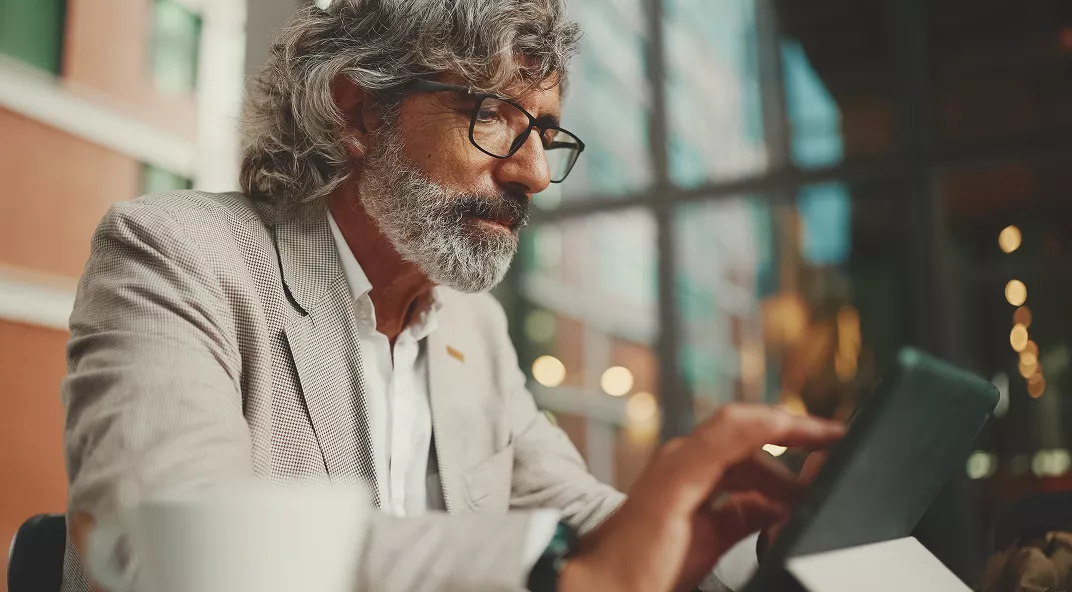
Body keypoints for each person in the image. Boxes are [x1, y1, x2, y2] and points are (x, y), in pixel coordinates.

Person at [60, 1, 840, 590]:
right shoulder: (174, 252)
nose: (533, 173)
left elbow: (581, 516)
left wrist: (755, 542)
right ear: (357, 110)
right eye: (493, 117)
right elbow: (166, 551)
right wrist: (559, 575)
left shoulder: (475, 326)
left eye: (545, 134)